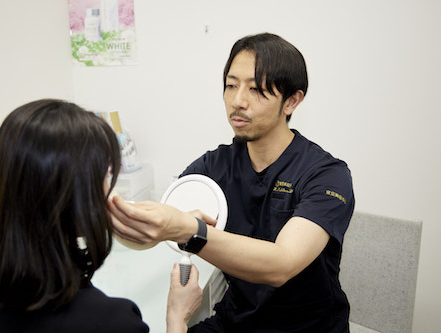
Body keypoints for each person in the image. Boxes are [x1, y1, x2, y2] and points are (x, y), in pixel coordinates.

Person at [109, 33, 355, 332]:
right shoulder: (214, 166)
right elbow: (153, 230)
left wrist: (188, 229)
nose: (238, 101)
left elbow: (281, 265)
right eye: (231, 85)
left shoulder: (326, 174)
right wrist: (115, 214)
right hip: (235, 322)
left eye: (256, 89)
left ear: (291, 101)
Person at [0, 99, 202, 332]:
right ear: (69, 193)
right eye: (104, 176)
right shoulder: (111, 322)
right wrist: (177, 317)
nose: (111, 192)